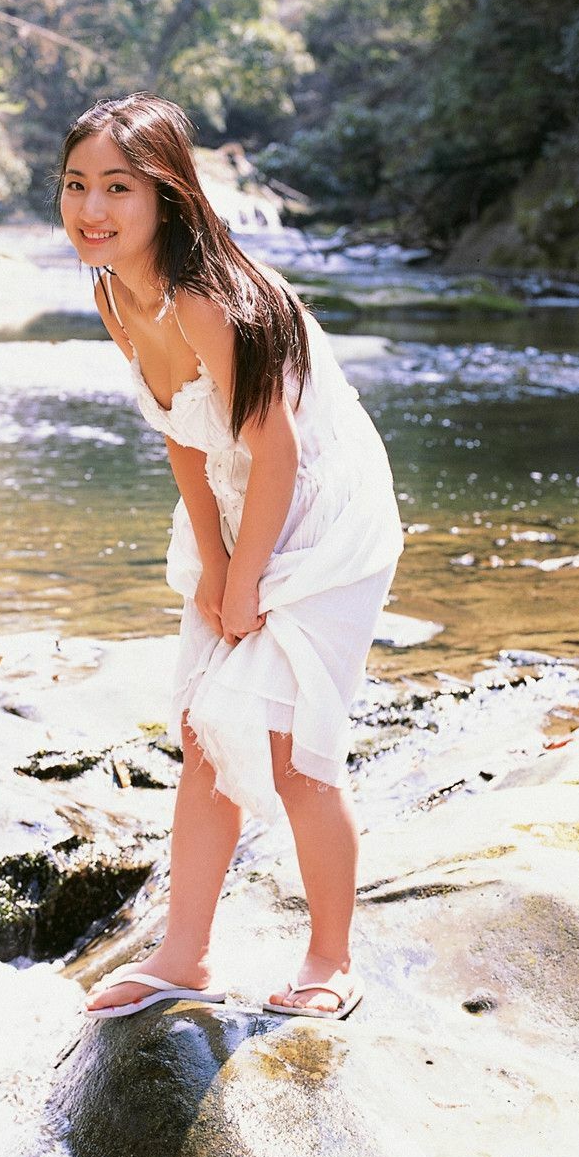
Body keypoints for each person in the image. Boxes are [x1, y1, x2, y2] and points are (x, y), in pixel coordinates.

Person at [57, 93, 404, 1021]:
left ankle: (331, 961)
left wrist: (246, 578)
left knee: (295, 749)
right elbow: (180, 430)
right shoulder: (113, 293)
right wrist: (214, 566)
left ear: (166, 194)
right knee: (202, 733)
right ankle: (185, 956)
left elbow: (280, 450)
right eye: (76, 185)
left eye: (117, 188)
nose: (91, 208)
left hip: (324, 514)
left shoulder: (206, 299)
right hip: (237, 496)